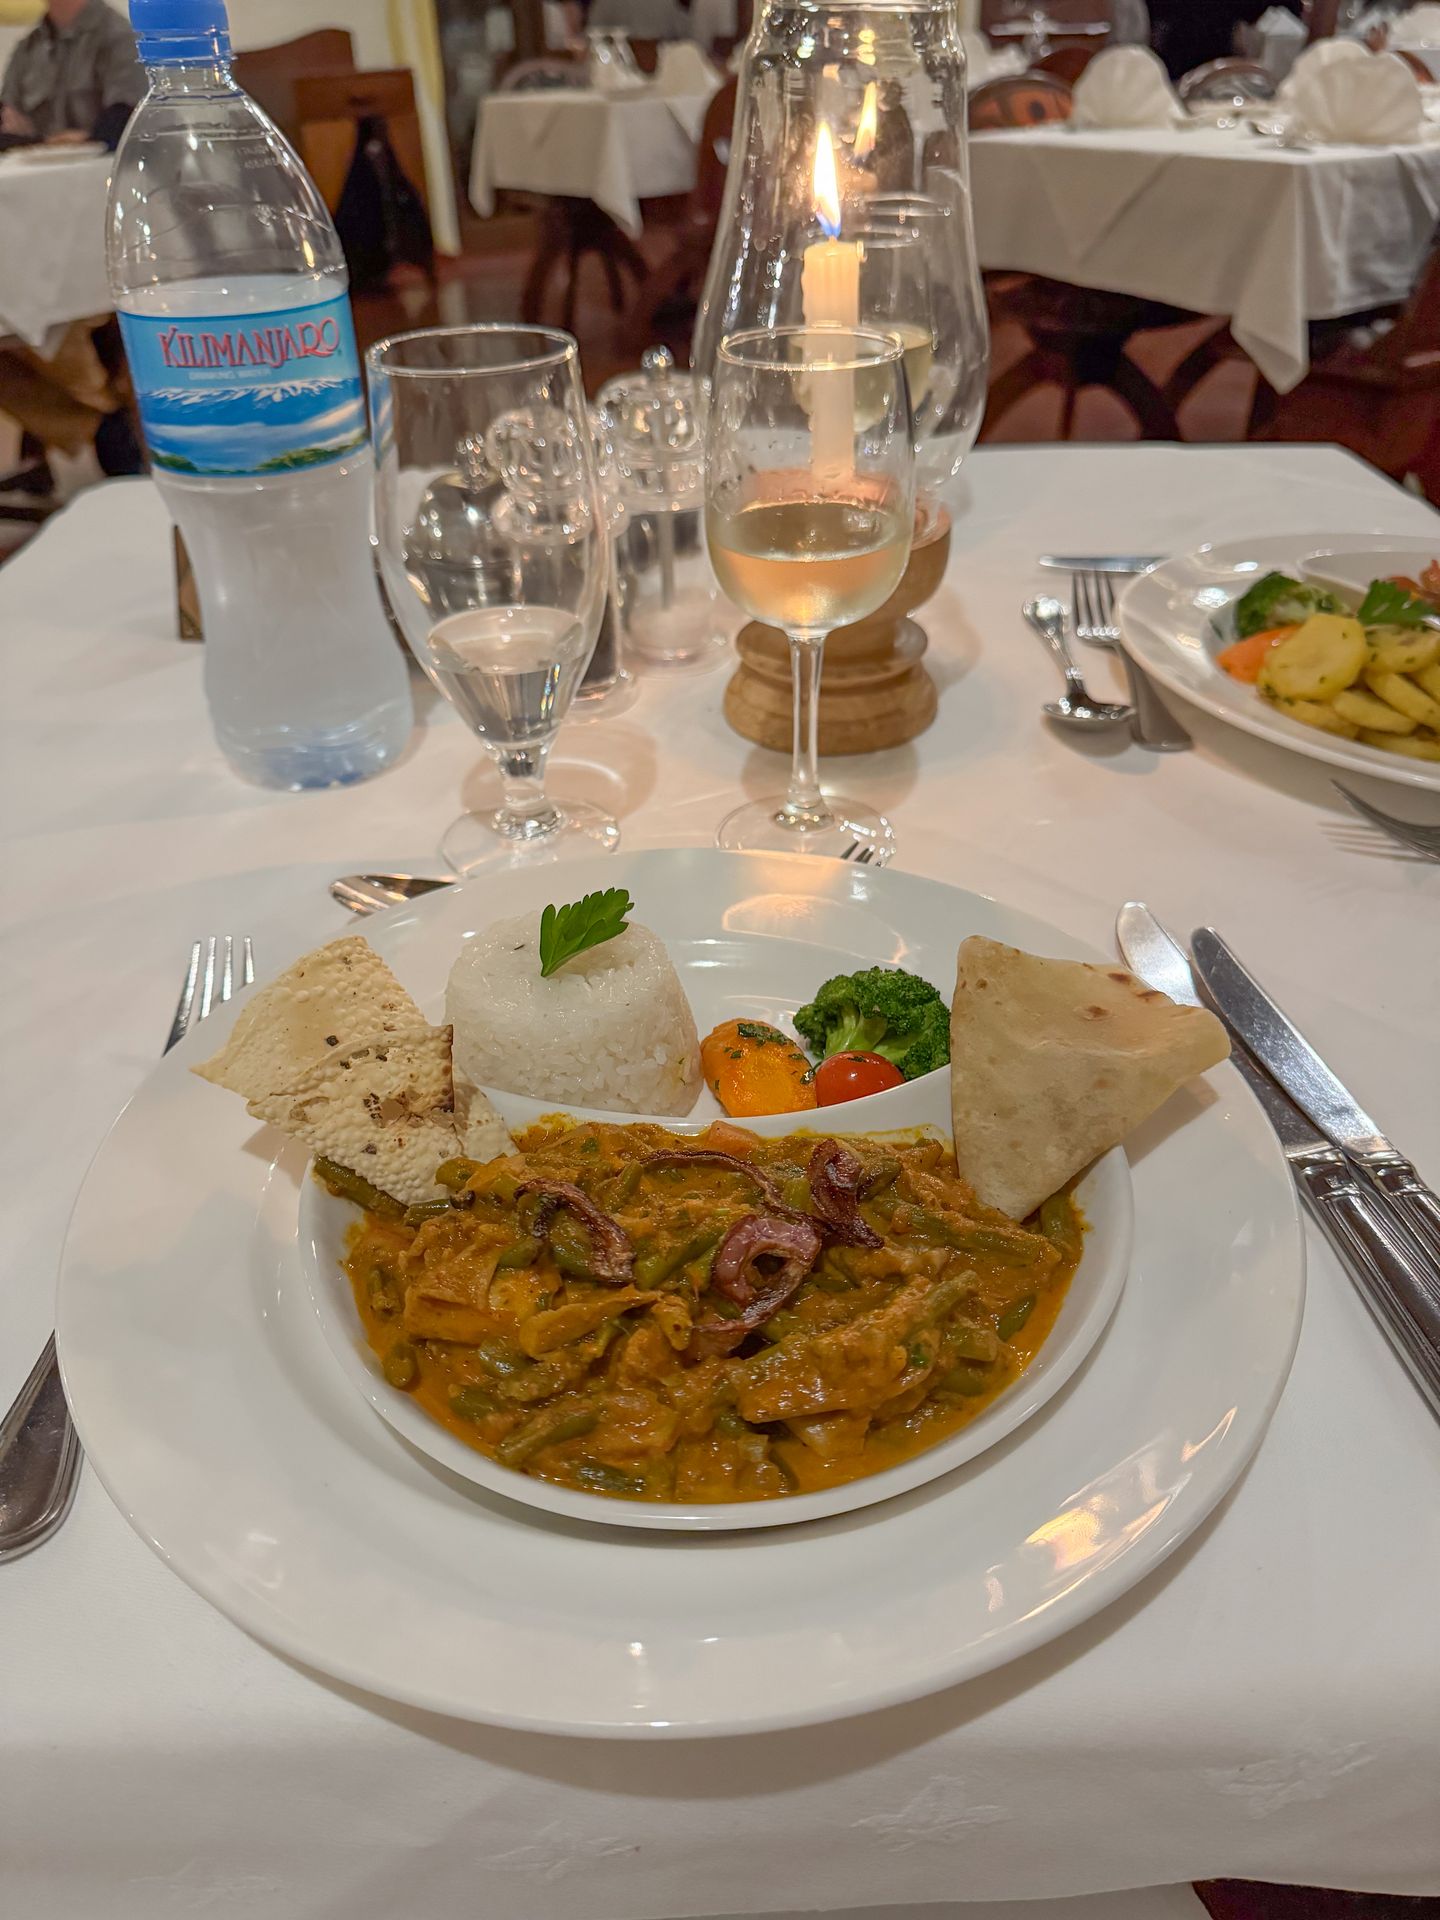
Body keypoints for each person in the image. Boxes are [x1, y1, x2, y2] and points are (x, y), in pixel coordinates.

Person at [0, 0, 146, 494]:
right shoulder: (27, 49)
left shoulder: (115, 35)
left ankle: (100, 418)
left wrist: (81, 138)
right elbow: (11, 127)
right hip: (32, 208)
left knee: (55, 315)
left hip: (100, 213)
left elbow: (126, 119)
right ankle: (90, 420)